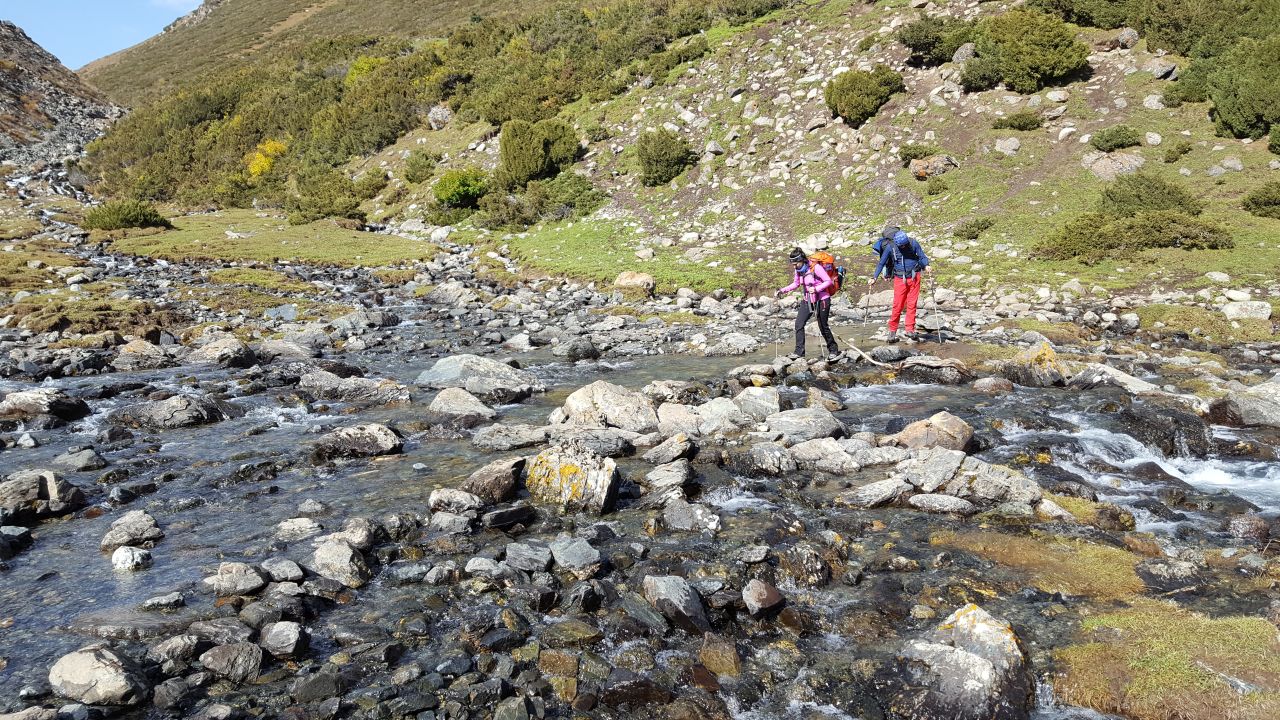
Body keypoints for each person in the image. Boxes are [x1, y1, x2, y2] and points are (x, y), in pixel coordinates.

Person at [775, 247, 842, 361]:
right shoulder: (799, 270)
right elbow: (795, 284)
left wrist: (816, 289)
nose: (794, 266)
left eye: (796, 264)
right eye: (793, 264)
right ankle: (799, 352)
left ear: (802, 260)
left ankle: (833, 350)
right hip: (807, 300)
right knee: (799, 324)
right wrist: (782, 290)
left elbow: (828, 281)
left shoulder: (816, 267)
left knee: (823, 326)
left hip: (822, 299)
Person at [869, 228, 930, 343]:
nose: (904, 247)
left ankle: (910, 330)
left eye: (905, 245)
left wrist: (926, 265)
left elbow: (922, 257)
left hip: (914, 276)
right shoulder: (890, 247)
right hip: (899, 278)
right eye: (901, 246)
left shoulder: (913, 243)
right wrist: (874, 277)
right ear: (897, 243)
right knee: (898, 305)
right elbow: (881, 263)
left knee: (912, 304)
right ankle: (892, 331)